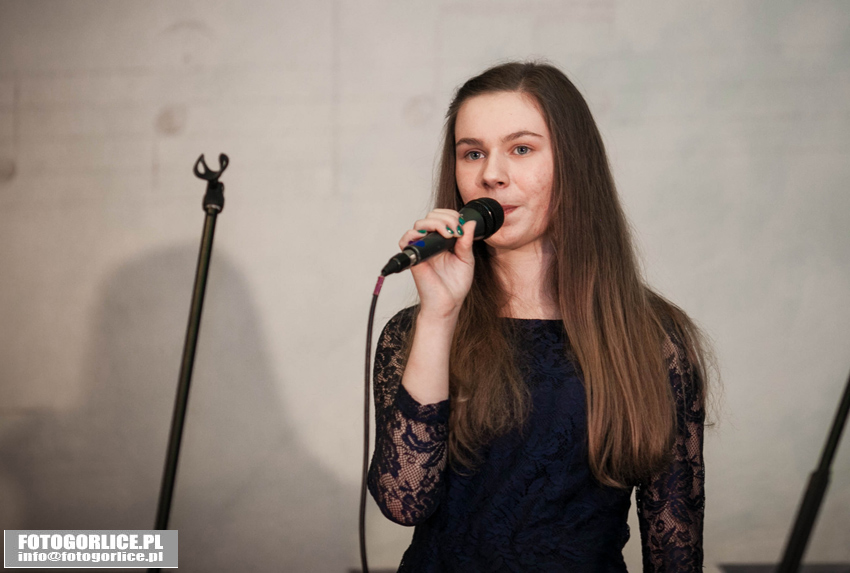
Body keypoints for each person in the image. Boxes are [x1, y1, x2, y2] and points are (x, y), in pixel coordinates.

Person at [368, 61, 711, 572]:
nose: (491, 174)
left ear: (573, 164)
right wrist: (439, 317)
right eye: (473, 153)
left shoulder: (653, 338)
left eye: (521, 149)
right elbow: (403, 502)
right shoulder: (414, 332)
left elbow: (675, 549)